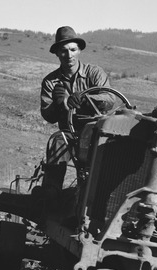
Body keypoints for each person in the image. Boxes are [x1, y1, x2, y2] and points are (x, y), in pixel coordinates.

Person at [39, 26, 114, 197]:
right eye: (64, 51)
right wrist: (58, 104)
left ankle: (105, 197)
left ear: (79, 50)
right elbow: (48, 116)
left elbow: (109, 100)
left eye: (73, 49)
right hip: (71, 134)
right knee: (57, 140)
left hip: (98, 131)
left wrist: (83, 99)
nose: (69, 55)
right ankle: (51, 194)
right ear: (57, 53)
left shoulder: (94, 73)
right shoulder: (50, 82)